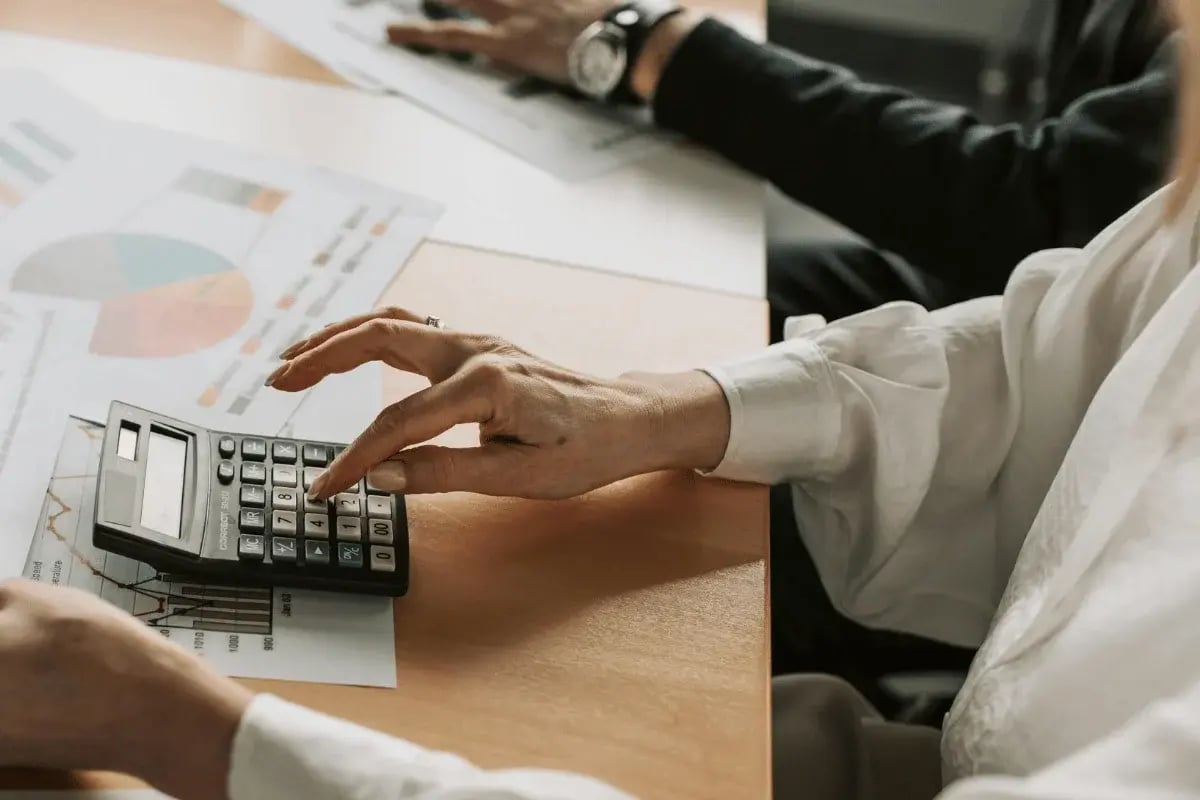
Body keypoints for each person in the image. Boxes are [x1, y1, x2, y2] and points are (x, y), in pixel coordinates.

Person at [380, 0, 1179, 689]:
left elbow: (1043, 206)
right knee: (646, 324)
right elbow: (1071, 309)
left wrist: (660, 51)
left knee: (607, 568)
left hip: (1042, 488)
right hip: (1001, 327)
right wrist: (662, 408)